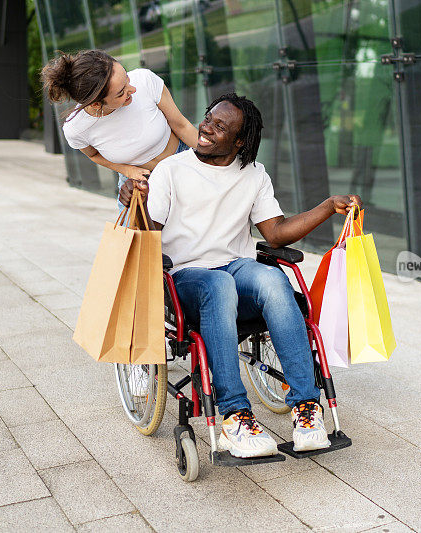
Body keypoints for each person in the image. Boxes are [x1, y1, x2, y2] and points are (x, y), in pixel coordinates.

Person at [119, 93, 362, 458]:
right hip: (186, 277)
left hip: (236, 270)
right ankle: (234, 414)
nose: (205, 128)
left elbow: (276, 233)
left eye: (220, 126)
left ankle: (306, 409)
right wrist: (133, 202)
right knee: (219, 284)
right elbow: (149, 236)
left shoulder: (253, 175)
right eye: (208, 119)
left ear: (239, 142)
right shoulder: (172, 170)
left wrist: (328, 206)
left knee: (273, 279)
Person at [41, 50, 198, 201]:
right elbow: (93, 155)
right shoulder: (77, 128)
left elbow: (182, 126)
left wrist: (217, 157)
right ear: (96, 104)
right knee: (139, 229)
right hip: (139, 187)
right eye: (121, 92)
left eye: (127, 80)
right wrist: (127, 170)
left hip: (183, 164)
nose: (133, 89)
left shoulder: (144, 80)